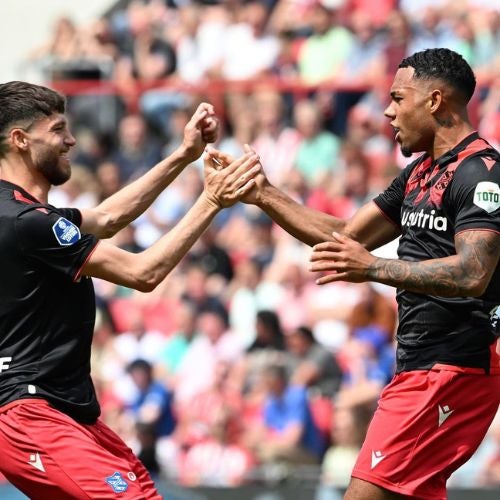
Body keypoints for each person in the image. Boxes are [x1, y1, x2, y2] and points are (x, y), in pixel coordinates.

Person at [210, 48, 500, 499]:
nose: (387, 110)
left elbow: (473, 272)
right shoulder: (418, 174)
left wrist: (373, 269)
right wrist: (262, 193)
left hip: (454, 366)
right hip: (420, 365)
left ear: (435, 100)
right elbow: (345, 234)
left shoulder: (482, 174)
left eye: (397, 98)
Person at [0, 80, 260, 499]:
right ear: (20, 140)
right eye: (58, 130)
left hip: (66, 412)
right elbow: (144, 272)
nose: (70, 141)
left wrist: (183, 155)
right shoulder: (27, 223)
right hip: (34, 414)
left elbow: (106, 217)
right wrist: (211, 201)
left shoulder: (20, 213)